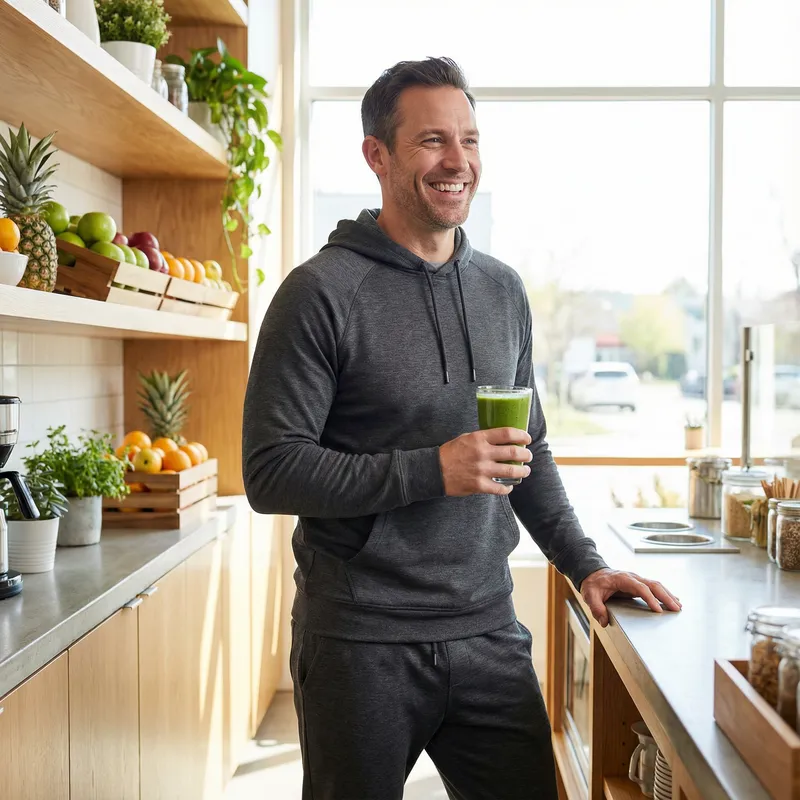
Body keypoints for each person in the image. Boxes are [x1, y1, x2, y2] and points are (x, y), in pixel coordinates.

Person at [243, 56, 681, 800]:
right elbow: (271, 471)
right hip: (359, 642)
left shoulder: (501, 290)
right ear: (376, 156)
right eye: (433, 141)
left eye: (470, 141)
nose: (459, 162)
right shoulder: (320, 293)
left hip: (487, 630)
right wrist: (431, 470)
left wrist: (584, 564)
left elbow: (526, 451)